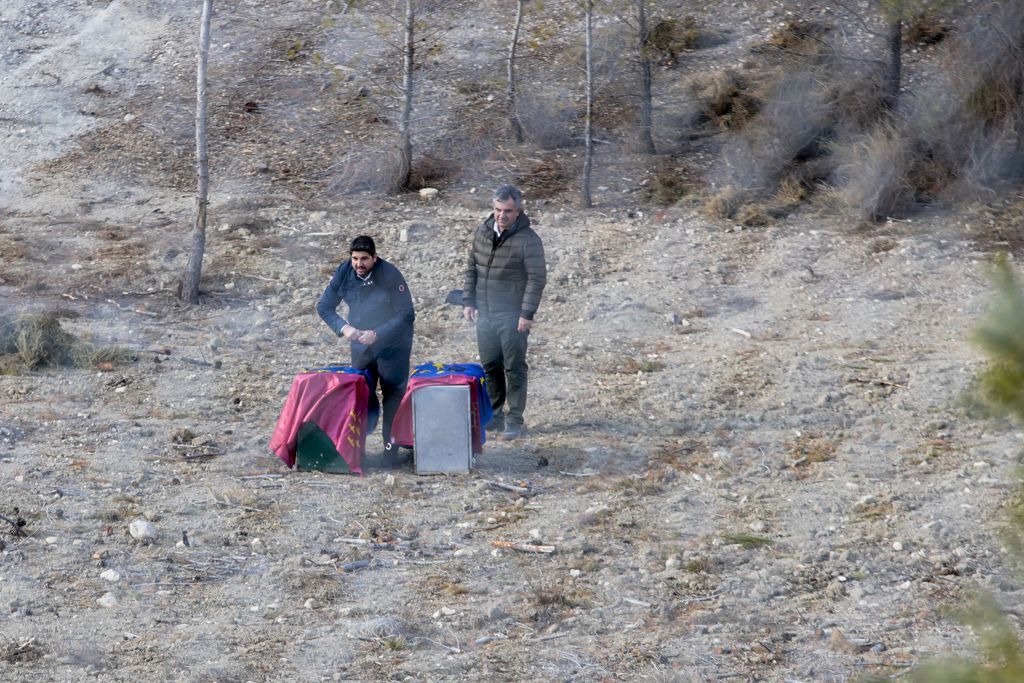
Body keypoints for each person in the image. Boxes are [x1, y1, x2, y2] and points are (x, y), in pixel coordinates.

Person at [318, 235, 415, 462]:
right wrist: (344, 328)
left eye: (364, 259)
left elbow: (407, 314)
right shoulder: (344, 272)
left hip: (393, 344)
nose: (359, 264)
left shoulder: (390, 274)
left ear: (374, 258)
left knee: (392, 395)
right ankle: (357, 450)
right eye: (355, 259)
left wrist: (378, 333)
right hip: (360, 341)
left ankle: (390, 452)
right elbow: (324, 306)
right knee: (361, 392)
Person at [462, 185, 547, 440]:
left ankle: (514, 420)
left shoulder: (529, 240)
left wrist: (527, 313)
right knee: (490, 366)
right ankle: (496, 416)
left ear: (518, 210)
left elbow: (537, 278)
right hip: (485, 313)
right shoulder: (483, 232)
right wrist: (469, 300)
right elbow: (471, 267)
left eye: (508, 211)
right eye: (498, 210)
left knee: (514, 367)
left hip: (512, 316)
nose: (502, 216)